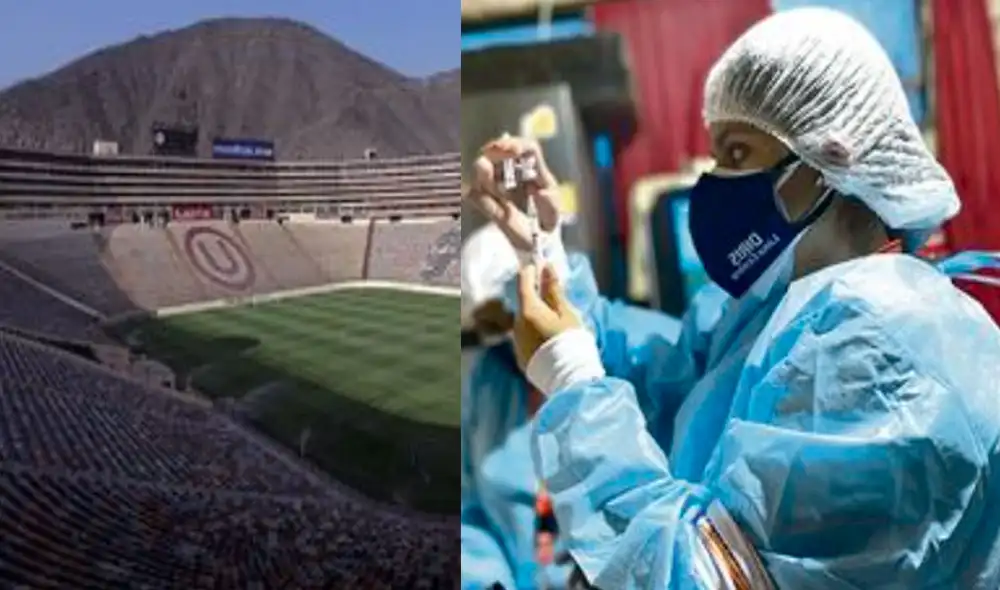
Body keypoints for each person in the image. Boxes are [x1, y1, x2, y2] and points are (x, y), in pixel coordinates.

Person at [467, 7, 1000, 589]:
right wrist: (541, 248)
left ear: (830, 158)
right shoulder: (774, 313)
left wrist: (570, 374)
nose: (712, 182)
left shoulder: (883, 346)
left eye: (737, 153)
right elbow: (658, 378)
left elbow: (704, 578)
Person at [461, 223, 684, 589]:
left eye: (506, 321)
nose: (506, 341)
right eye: (489, 325)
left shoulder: (650, 350)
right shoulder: (492, 374)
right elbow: (471, 508)